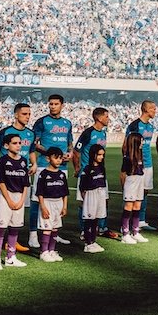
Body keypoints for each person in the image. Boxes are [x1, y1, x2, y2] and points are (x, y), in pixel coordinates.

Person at [0, 103, 34, 254]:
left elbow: (31, 150)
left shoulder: (31, 134)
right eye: (24, 114)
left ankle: (12, 241)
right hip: (7, 178)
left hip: (22, 176)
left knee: (18, 211)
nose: (27, 117)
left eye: (29, 114)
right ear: (16, 115)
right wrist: (3, 166)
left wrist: (35, 164)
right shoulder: (5, 132)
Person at [30, 94, 74, 248]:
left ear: (62, 105)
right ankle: (33, 234)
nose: (52, 106)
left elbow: (70, 143)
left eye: (56, 104)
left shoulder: (67, 123)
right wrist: (51, 154)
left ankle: (55, 233)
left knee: (59, 199)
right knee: (37, 200)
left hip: (62, 167)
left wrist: (70, 153)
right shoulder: (42, 122)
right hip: (44, 165)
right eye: (50, 104)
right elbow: (34, 143)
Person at [72, 107, 117, 240]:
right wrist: (77, 168)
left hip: (100, 173)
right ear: (99, 118)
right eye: (107, 116)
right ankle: (83, 230)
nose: (109, 119)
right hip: (87, 174)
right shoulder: (88, 133)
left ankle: (102, 228)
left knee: (104, 200)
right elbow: (76, 152)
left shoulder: (103, 133)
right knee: (84, 202)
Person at [0, 134, 29, 270]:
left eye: (19, 142)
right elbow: (1, 182)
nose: (18, 145)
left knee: (15, 228)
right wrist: (9, 200)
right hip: (5, 197)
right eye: (14, 143)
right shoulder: (2, 161)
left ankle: (10, 257)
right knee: (1, 228)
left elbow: (26, 184)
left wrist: (22, 200)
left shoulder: (23, 161)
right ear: (7, 146)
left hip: (19, 198)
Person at [124, 100, 158, 233]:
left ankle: (141, 221)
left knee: (144, 192)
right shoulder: (135, 125)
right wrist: (128, 162)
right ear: (146, 109)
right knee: (130, 194)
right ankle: (127, 223)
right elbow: (126, 145)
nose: (155, 111)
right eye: (153, 109)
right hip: (136, 164)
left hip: (147, 163)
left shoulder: (150, 127)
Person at [35, 148, 69, 262]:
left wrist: (64, 206)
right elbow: (39, 192)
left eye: (60, 158)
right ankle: (44, 252)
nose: (59, 161)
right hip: (47, 203)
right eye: (56, 158)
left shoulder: (62, 175)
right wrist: (43, 207)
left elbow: (65, 192)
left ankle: (52, 250)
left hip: (58, 203)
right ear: (48, 158)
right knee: (47, 228)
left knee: (55, 228)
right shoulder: (43, 174)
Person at [119, 133, 149, 244]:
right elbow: (122, 174)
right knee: (128, 208)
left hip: (139, 181)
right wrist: (123, 188)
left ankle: (135, 232)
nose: (142, 143)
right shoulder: (128, 157)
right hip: (131, 182)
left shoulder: (140, 155)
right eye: (141, 141)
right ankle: (125, 234)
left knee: (137, 207)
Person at [78, 145, 109, 252]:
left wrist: (105, 197)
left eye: (102, 155)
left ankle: (93, 241)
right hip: (91, 195)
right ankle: (88, 243)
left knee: (96, 218)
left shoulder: (101, 168)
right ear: (93, 154)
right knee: (89, 219)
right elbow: (82, 186)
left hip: (100, 194)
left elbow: (104, 183)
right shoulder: (87, 169)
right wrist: (85, 198)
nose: (101, 157)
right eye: (99, 155)